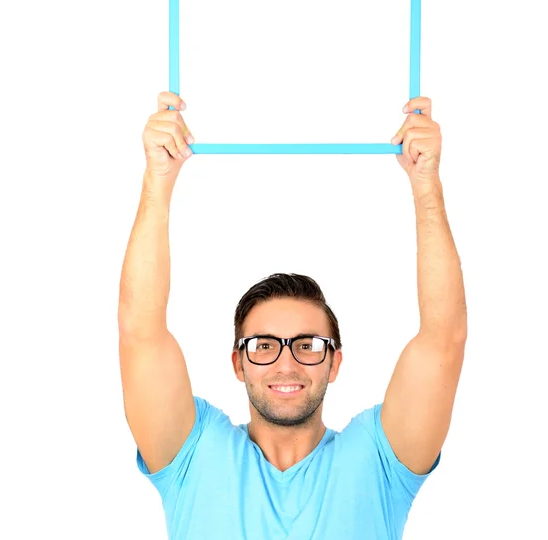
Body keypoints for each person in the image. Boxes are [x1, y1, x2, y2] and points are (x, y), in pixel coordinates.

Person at [118, 91, 467, 539]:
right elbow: (139, 332)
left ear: (335, 361)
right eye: (263, 345)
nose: (287, 362)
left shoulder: (377, 462)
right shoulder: (194, 453)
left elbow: (444, 339)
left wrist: (426, 185)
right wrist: (158, 178)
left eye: (307, 345)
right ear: (237, 363)